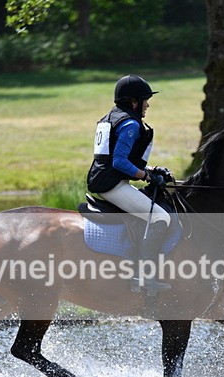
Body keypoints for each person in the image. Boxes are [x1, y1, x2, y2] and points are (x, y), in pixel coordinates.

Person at [86, 74, 173, 294]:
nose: (148, 104)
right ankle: (143, 277)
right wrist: (145, 176)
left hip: (106, 179)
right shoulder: (130, 124)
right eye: (145, 99)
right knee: (160, 217)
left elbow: (119, 160)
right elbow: (119, 161)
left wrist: (152, 170)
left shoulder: (112, 117)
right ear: (134, 102)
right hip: (112, 186)